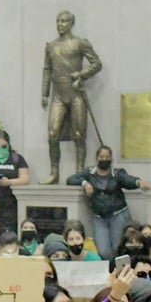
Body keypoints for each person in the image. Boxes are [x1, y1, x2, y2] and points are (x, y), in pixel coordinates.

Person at [40, 10, 103, 184]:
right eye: (58, 21)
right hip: (58, 95)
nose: (60, 24)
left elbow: (97, 64)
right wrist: (44, 93)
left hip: (75, 94)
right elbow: (47, 70)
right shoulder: (51, 46)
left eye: (64, 21)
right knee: (52, 133)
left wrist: (81, 75)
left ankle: (80, 171)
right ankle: (54, 172)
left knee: (79, 134)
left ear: (71, 23)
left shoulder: (80, 43)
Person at [65, 145, 149, 259]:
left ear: (111, 159)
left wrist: (138, 182)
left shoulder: (117, 173)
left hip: (118, 215)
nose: (104, 159)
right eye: (101, 157)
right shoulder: (89, 173)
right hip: (99, 218)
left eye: (107, 157)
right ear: (97, 158)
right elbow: (70, 179)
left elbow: (128, 180)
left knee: (117, 248)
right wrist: (85, 183)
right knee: (103, 250)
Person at [0, 130, 30, 234]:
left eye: (4, 146)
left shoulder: (16, 158)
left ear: (9, 145)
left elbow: (25, 178)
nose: (0, 149)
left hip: (11, 204)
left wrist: (9, 182)